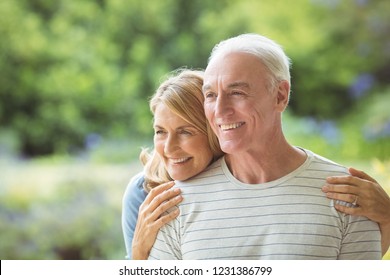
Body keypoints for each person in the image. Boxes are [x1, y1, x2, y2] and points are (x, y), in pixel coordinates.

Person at [147, 33, 383, 259]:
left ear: (280, 96)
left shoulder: (347, 194)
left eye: (237, 92)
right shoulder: (176, 202)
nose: (219, 111)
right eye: (210, 95)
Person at [121, 69, 223, 259]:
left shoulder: (241, 178)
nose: (168, 148)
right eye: (161, 132)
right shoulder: (141, 192)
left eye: (185, 132)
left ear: (213, 132)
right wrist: (138, 251)